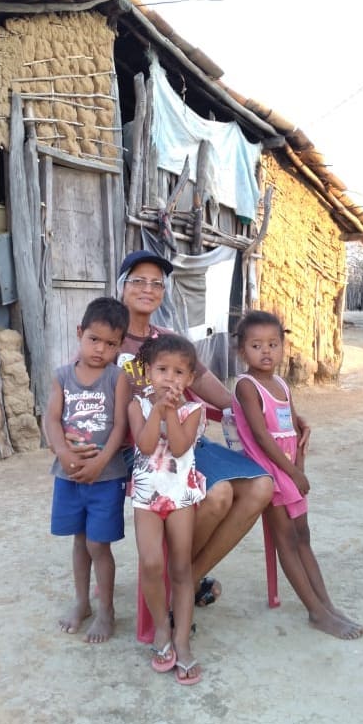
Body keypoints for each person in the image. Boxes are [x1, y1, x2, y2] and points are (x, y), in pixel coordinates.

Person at [112, 249, 276, 608]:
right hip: (139, 449)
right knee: (218, 496)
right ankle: (183, 583)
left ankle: (184, 579)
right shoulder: (109, 337)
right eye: (138, 280)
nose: (148, 288)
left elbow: (205, 384)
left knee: (262, 486)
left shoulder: (167, 339)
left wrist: (262, 410)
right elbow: (85, 389)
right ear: (122, 287)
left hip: (186, 441)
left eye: (157, 283)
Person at [231, 310, 363, 639]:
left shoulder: (281, 384)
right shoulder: (247, 386)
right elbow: (262, 437)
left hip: (289, 472)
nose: (266, 352)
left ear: (282, 347)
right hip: (269, 474)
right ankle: (316, 613)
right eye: (256, 345)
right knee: (287, 541)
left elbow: (291, 427)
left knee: (304, 537)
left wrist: (299, 469)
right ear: (241, 351)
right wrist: (292, 473)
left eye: (273, 344)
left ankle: (326, 604)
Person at [43, 297, 131, 644]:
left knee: (99, 544)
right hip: (68, 475)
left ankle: (106, 610)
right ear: (80, 333)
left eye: (111, 343)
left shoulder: (116, 378)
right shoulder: (62, 376)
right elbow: (51, 418)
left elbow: (121, 427)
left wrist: (99, 462)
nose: (100, 349)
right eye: (94, 339)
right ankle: (82, 602)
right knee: (80, 541)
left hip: (105, 478)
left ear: (120, 345)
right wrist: (62, 452)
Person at [128, 333, 206, 684]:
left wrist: (171, 411)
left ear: (189, 379)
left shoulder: (193, 410)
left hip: (180, 496)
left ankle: (182, 641)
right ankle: (161, 628)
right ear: (147, 372)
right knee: (151, 562)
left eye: (178, 373)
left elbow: (177, 445)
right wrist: (157, 409)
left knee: (180, 567)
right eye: (162, 370)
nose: (170, 379)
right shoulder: (137, 406)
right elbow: (145, 446)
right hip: (146, 495)